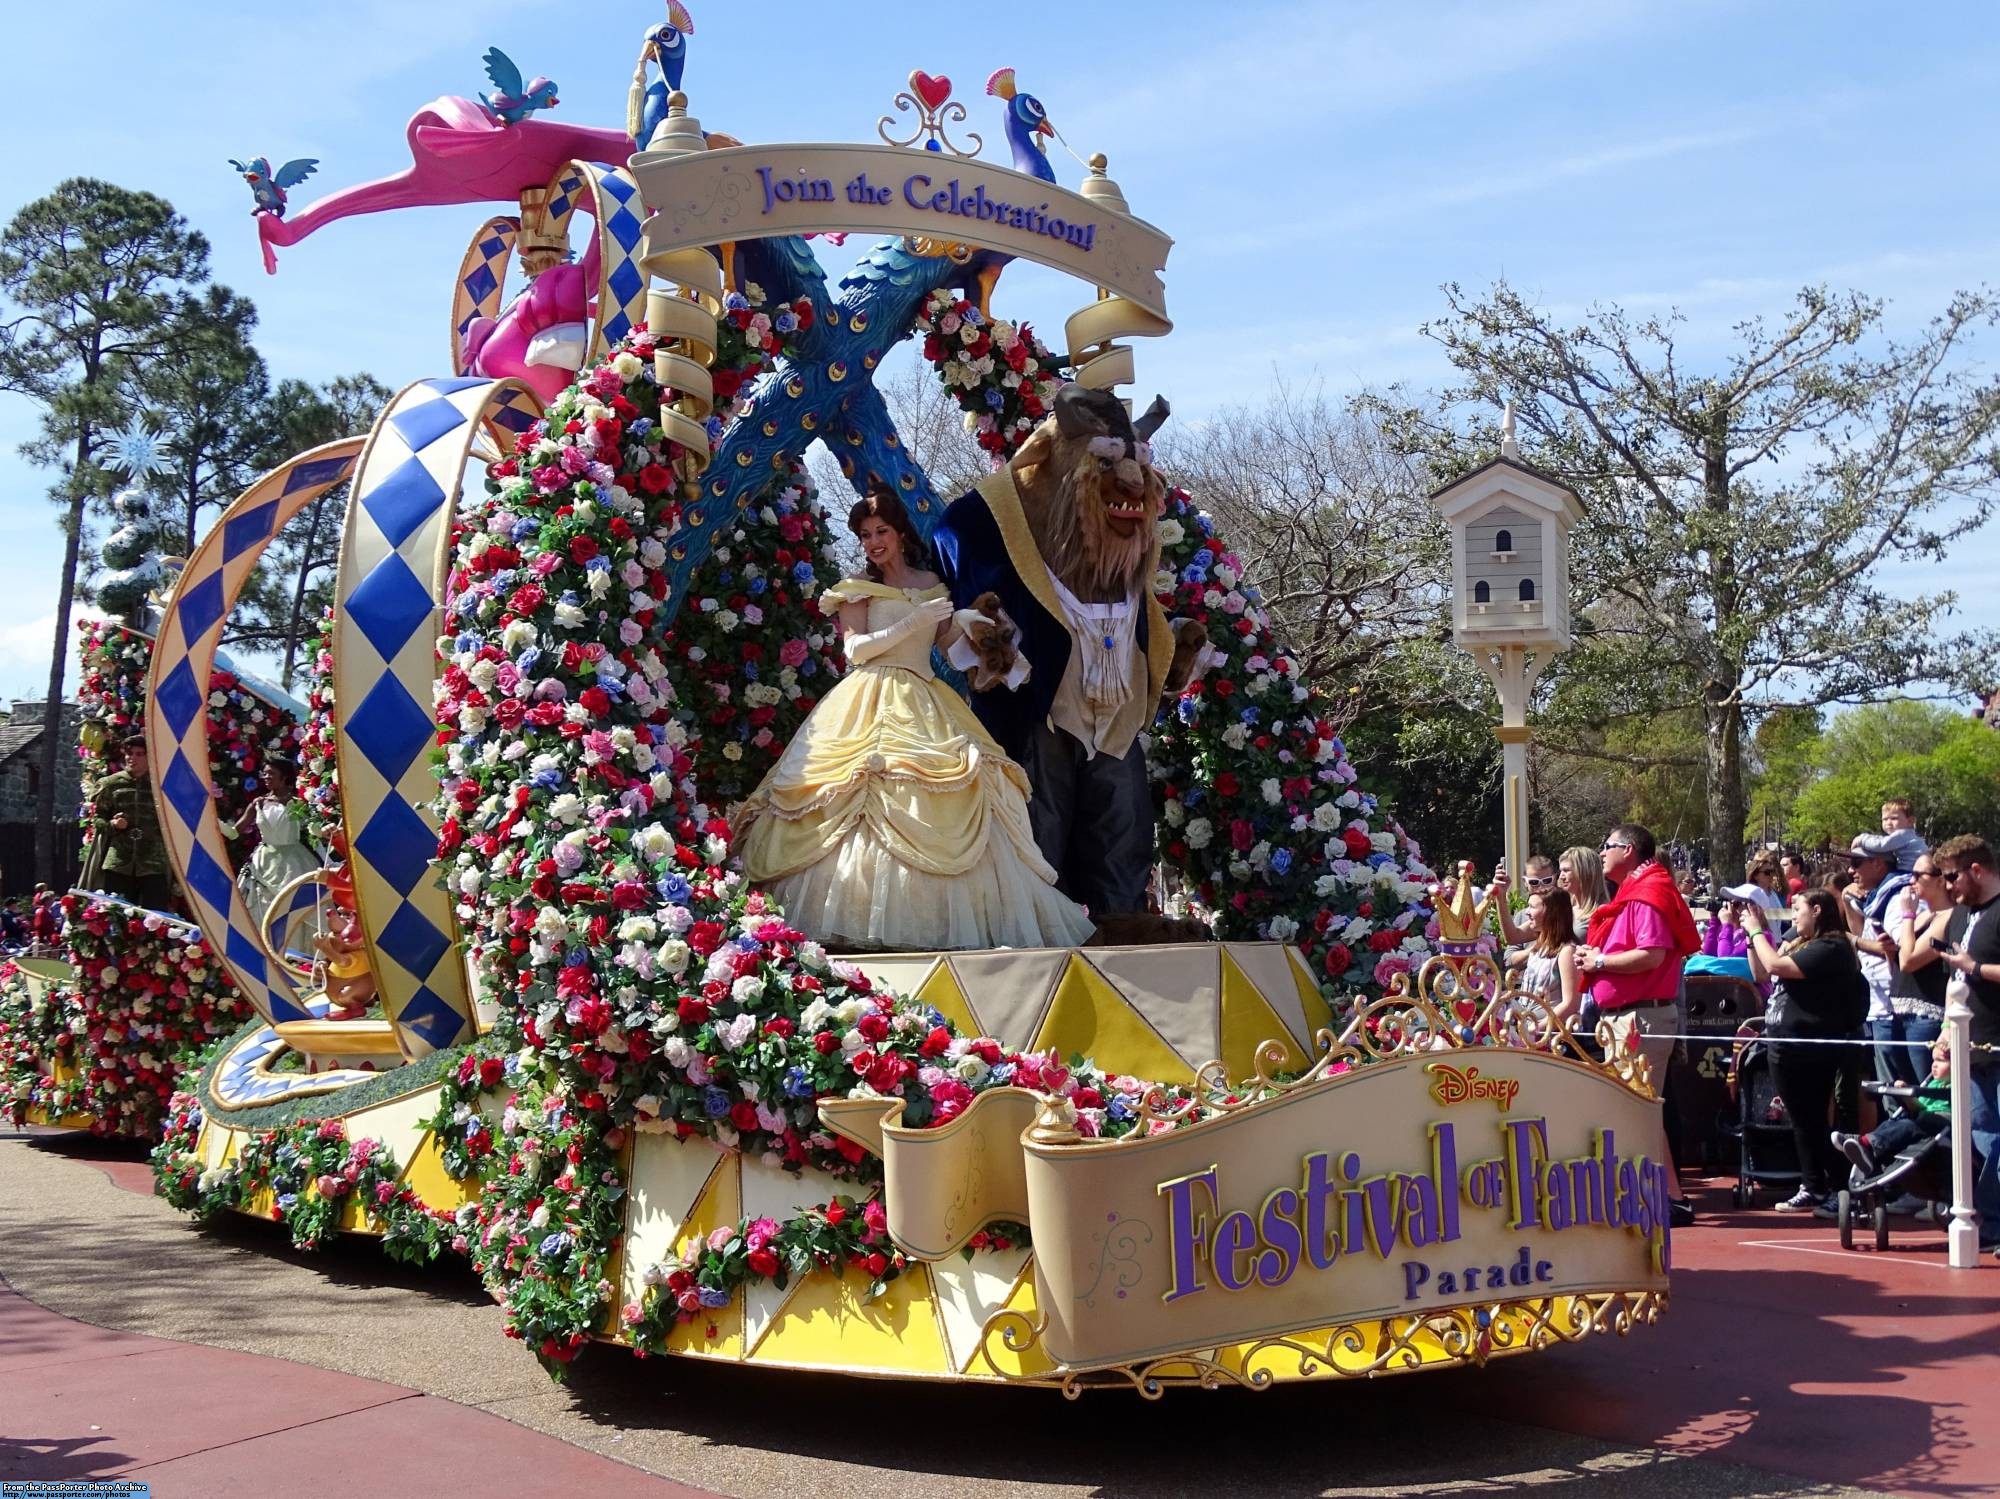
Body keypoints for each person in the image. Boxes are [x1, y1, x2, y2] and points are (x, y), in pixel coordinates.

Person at [735, 486, 1094, 952]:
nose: (873, 542)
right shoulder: (856, 589)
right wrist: (908, 623)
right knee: (861, 788)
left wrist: (982, 636)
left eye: (880, 531)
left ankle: (950, 923)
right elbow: (854, 650)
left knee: (961, 782)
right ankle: (857, 922)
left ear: (900, 532)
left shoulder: (932, 584)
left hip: (926, 694)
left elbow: (946, 646)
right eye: (865, 535)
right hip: (870, 695)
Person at [1577, 823, 1700, 1224]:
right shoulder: (1637, 891)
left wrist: (1598, 962)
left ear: (1628, 850)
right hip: (1628, 1016)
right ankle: (1663, 1196)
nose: (1602, 852)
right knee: (1640, 1107)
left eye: (1607, 845)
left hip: (1640, 1017)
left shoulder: (1647, 894)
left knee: (1638, 1109)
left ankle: (1661, 1198)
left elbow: (1651, 954)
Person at [1743, 888, 1869, 1213]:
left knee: (1811, 1121)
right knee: (1803, 1121)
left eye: (1797, 909)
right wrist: (1748, 938)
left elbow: (1776, 965)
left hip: (1810, 1045)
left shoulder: (1831, 947)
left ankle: (1839, 1189)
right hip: (1783, 1043)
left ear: (1816, 910)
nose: (1793, 916)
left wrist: (1757, 929)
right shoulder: (1800, 942)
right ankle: (1813, 1186)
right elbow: (1761, 972)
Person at [1934, 834, 2000, 1257]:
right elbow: (1953, 983)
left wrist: (1976, 967)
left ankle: (1993, 1220)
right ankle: (1991, 1222)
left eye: (1952, 876)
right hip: (1968, 1046)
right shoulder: (1960, 917)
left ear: (1976, 870)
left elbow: (1969, 970)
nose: (1948, 885)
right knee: (1981, 1136)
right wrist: (1944, 1033)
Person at [1844, 831, 1918, 1090]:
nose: (1851, 871)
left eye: (1856, 864)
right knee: (1886, 1085)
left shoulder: (1897, 897)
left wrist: (1850, 940)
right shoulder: (1878, 897)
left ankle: (1905, 1130)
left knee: (1896, 1087)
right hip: (1877, 1005)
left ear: (1878, 864)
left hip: (1891, 1007)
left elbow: (1896, 949)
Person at [78, 735, 176, 910]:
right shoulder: (111, 784)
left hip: (153, 863)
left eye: (139, 754)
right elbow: (97, 819)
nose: (132, 758)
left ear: (149, 757)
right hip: (119, 862)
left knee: (155, 917)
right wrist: (113, 825)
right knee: (116, 916)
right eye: (129, 753)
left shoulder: (162, 786)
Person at [1833, 1033, 1951, 1176]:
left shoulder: (1957, 1086)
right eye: (1933, 1060)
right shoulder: (1934, 1083)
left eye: (1940, 1061)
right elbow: (1918, 1109)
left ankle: (1865, 1144)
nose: (1934, 1066)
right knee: (1895, 1122)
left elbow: (1926, 1113)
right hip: (1923, 1119)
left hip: (1941, 1123)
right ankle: (1866, 1147)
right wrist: (1905, 1095)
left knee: (1909, 1124)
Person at [1886, 852, 1953, 1089]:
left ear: (1940, 879)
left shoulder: (1948, 917)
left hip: (1925, 1015)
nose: (1911, 880)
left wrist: (1907, 915)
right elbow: (1901, 958)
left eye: (1918, 875)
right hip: (1899, 1011)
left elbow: (1909, 960)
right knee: (1903, 1089)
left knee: (1924, 1090)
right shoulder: (1925, 915)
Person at [233, 760, 321, 933]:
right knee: (260, 905)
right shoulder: (258, 803)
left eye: (271, 773)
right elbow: (235, 832)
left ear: (284, 777)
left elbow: (315, 829)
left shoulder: (299, 803)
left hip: (295, 863)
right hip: (263, 861)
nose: (266, 777)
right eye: (264, 773)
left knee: (296, 904)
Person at [1520, 888, 1583, 1022]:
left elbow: (1570, 1004)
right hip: (1526, 1028)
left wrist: (1539, 1029)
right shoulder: (1538, 947)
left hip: (1549, 1035)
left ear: (1551, 913)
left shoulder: (1567, 951)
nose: (1527, 912)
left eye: (1532, 907)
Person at [1488, 854, 1556, 947]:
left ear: (1555, 878)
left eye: (1547, 881)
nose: (1541, 887)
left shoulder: (1563, 906)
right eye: (1534, 882)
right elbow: (1512, 938)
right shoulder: (1526, 915)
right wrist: (1501, 895)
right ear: (1525, 882)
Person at [1557, 845, 1609, 943]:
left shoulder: (1603, 913)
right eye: (1561, 871)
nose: (1561, 877)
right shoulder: (1563, 908)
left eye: (1566, 870)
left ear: (1585, 873)